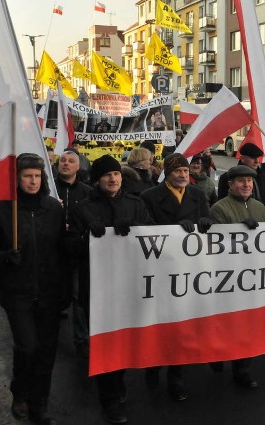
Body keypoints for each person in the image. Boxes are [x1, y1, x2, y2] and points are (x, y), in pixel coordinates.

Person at [0, 153, 66, 425]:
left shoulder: (53, 208)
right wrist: (5, 257)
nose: (33, 181)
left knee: (46, 352)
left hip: (50, 292)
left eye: (37, 176)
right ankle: (20, 391)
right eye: (27, 176)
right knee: (28, 346)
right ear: (16, 178)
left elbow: (61, 251)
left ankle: (40, 404)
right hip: (17, 293)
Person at [69, 155, 155, 424]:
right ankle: (110, 396)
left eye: (116, 174)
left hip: (130, 285)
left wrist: (136, 229)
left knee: (125, 339)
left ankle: (116, 383)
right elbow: (68, 247)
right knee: (106, 343)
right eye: (107, 175)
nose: (113, 179)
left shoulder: (136, 204)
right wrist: (86, 237)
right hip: (98, 288)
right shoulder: (83, 208)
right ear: (97, 179)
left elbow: (153, 235)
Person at [140, 153, 213, 402]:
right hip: (161, 270)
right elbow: (145, 229)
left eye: (185, 171)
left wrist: (206, 222)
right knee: (160, 326)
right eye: (178, 171)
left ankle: (176, 378)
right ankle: (153, 366)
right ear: (168, 173)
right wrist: (173, 230)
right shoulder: (149, 196)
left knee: (181, 327)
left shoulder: (197, 195)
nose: (183, 175)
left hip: (188, 271)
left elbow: (208, 221)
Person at [209, 165, 265, 389]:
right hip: (228, 277)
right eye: (241, 181)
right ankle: (217, 355)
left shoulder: (260, 208)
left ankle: (242, 369)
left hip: (253, 276)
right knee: (226, 323)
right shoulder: (219, 209)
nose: (246, 185)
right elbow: (218, 246)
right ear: (231, 184)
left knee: (246, 325)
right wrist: (238, 231)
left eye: (250, 181)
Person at [54, 150, 93, 359]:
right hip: (54, 251)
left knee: (80, 296)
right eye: (63, 161)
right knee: (56, 295)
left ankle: (81, 338)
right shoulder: (49, 189)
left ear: (79, 167)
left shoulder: (87, 192)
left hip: (77, 252)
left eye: (71, 161)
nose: (66, 164)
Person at [217, 143, 265, 211]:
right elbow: (222, 205)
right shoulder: (227, 177)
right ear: (242, 158)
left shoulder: (262, 176)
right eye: (253, 157)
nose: (257, 161)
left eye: (258, 157)